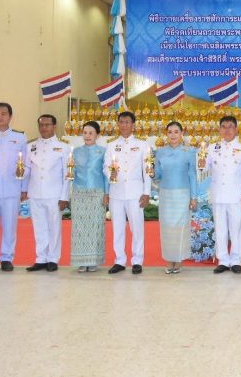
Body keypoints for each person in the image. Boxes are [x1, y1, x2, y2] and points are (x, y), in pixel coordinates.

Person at [202, 116, 241, 275]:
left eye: (230, 126)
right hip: (218, 195)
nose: (227, 129)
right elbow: (204, 169)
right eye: (223, 126)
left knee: (236, 228)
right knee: (220, 229)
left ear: (236, 129)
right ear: (219, 129)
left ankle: (236, 260)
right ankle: (223, 260)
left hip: (236, 196)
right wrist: (201, 163)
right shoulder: (212, 148)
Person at [103, 111, 151, 275]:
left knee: (137, 228)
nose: (124, 125)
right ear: (118, 124)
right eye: (121, 122)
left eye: (127, 122)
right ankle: (119, 260)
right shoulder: (111, 145)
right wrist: (110, 174)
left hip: (135, 193)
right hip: (116, 192)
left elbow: (147, 170)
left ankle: (137, 260)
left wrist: (146, 192)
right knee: (117, 228)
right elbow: (106, 166)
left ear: (133, 125)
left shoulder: (143, 145)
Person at [24, 114, 70, 272]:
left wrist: (64, 196)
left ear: (54, 126)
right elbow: (27, 170)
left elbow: (67, 174)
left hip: (54, 194)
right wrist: (23, 186)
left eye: (47, 125)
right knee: (39, 228)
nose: (44, 128)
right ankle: (41, 258)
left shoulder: (63, 147)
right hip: (35, 193)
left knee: (54, 227)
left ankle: (53, 259)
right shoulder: (31, 146)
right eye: (41, 125)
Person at [0, 102, 27, 273]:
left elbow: (25, 164)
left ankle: (6, 258)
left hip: (12, 189)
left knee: (10, 226)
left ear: (10, 116)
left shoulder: (20, 137)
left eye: (3, 114)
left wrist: (24, 188)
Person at [154, 122, 197, 275]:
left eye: (176, 131)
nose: (173, 135)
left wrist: (194, 197)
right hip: (166, 195)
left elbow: (192, 175)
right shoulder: (160, 152)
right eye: (170, 132)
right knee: (166, 227)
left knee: (181, 227)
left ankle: (178, 260)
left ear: (182, 133)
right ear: (166, 134)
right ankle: (169, 260)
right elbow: (157, 174)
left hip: (182, 195)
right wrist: (150, 171)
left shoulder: (189, 151)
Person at [70, 121, 108, 272]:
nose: (87, 136)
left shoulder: (103, 152)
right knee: (79, 227)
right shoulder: (75, 152)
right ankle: (81, 260)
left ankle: (93, 261)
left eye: (91, 133)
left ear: (98, 135)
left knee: (96, 227)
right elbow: (71, 172)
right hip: (79, 193)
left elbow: (106, 175)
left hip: (97, 193)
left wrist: (107, 193)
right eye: (85, 133)